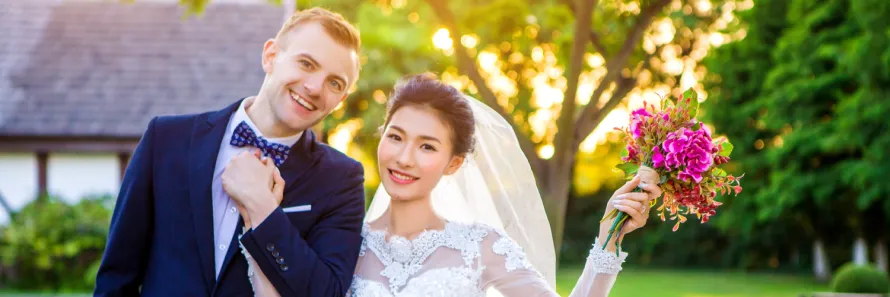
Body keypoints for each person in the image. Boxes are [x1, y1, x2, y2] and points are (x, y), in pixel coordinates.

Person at [240, 73, 663, 297]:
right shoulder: (344, 243)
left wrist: (610, 240)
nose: (404, 158)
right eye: (396, 136)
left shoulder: (480, 246)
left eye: (427, 146)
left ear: (453, 163)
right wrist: (259, 217)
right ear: (381, 137)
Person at [93, 8, 367, 297]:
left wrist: (263, 208)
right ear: (270, 56)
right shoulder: (166, 138)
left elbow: (327, 292)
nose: (314, 87)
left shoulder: (341, 179)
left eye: (334, 83)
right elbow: (116, 277)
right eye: (307, 64)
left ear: (341, 99)